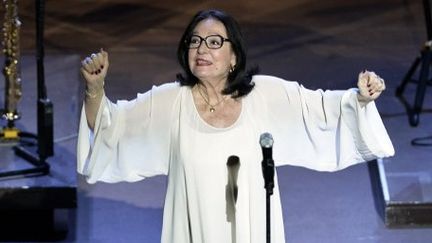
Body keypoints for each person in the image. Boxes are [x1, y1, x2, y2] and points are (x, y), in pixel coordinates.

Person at [77, 9, 394, 243]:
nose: (202, 50)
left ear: (233, 56)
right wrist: (95, 89)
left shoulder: (265, 94)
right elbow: (110, 126)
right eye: (195, 41)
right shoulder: (168, 102)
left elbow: (323, 108)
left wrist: (360, 98)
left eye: (214, 42)